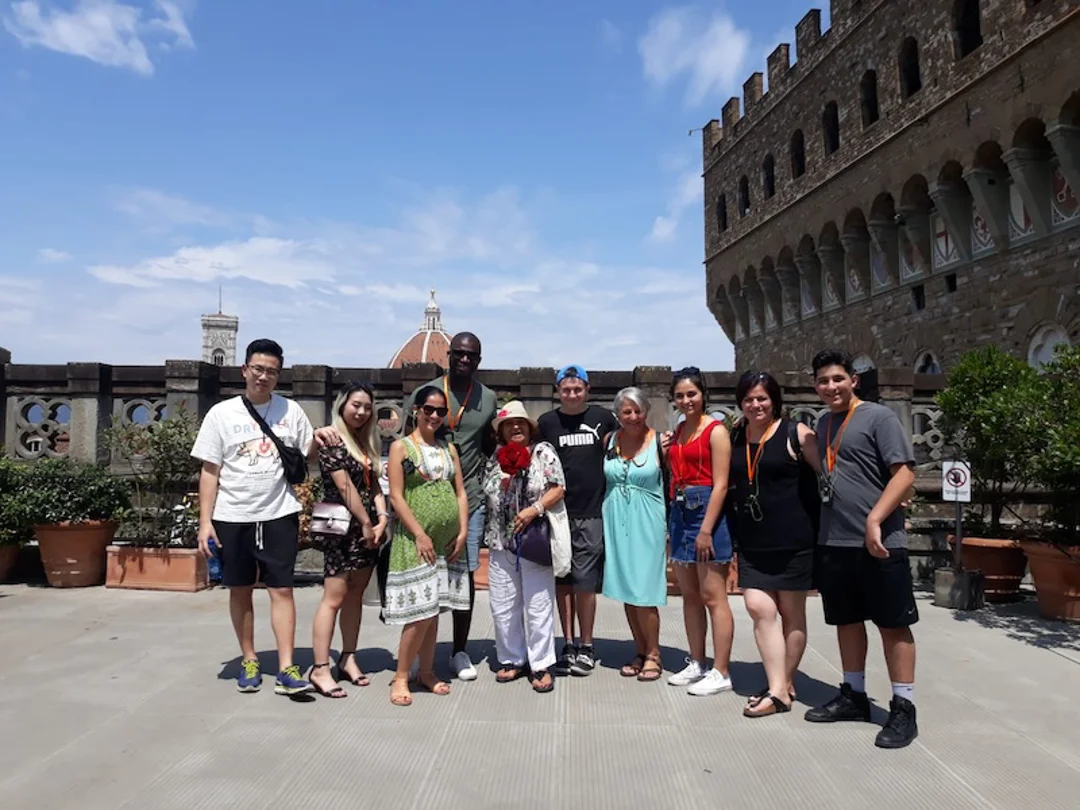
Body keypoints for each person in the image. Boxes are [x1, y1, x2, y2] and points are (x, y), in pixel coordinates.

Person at [313, 332, 497, 682]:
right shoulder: (424, 393)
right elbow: (402, 449)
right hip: (401, 511)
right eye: (458, 353)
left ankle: (457, 650)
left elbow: (489, 442)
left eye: (471, 355)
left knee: (461, 579)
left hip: (465, 501)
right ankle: (398, 661)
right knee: (408, 585)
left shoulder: (486, 399)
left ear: (479, 360)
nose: (464, 359)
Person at [805, 348, 919, 749]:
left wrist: (875, 519)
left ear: (853, 380)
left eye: (838, 378)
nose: (831, 386)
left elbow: (904, 475)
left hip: (880, 542)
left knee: (892, 624)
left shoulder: (879, 417)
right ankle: (853, 695)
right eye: (823, 381)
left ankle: (903, 707)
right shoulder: (823, 424)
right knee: (847, 621)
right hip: (835, 539)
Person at [192, 338, 316, 695]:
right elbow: (210, 471)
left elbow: (308, 452)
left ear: (279, 376)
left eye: (271, 372)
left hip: (279, 512)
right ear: (245, 370)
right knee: (240, 589)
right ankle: (249, 658)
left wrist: (327, 435)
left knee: (282, 589)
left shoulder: (291, 411)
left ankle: (287, 665)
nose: (264, 377)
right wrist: (205, 522)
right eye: (258, 369)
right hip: (233, 514)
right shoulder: (222, 414)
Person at [727, 371, 820, 717]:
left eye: (762, 398)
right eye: (749, 399)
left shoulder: (797, 433)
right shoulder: (737, 434)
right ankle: (780, 687)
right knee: (758, 608)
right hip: (753, 540)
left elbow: (829, 475)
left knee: (792, 615)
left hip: (794, 539)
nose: (756, 405)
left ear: (775, 400)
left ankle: (782, 686)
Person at [384, 385, 470, 706]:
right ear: (417, 410)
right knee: (419, 612)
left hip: (446, 542)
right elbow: (396, 496)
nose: (434, 416)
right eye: (429, 410)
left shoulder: (449, 449)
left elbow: (460, 492)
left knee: (433, 611)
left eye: (440, 411)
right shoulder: (401, 448)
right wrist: (420, 533)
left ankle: (427, 671)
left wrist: (462, 530)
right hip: (416, 540)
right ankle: (401, 675)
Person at [480, 401, 572, 693]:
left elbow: (558, 488)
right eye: (509, 424)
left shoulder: (543, 452)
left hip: (534, 539)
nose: (516, 427)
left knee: (538, 604)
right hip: (501, 539)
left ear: (530, 428)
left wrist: (534, 509)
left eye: (521, 423)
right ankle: (512, 658)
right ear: (501, 431)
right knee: (503, 605)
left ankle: (541, 663)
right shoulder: (495, 458)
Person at [308, 382, 390, 698]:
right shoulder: (333, 439)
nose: (362, 412)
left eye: (367, 407)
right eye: (356, 405)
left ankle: (348, 657)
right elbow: (345, 487)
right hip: (340, 527)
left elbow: (375, 485)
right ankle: (320, 667)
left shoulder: (366, 441)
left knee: (355, 594)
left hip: (367, 529)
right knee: (334, 596)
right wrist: (367, 522)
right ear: (342, 405)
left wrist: (382, 518)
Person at [537, 365, 619, 676]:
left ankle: (587, 645)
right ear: (557, 391)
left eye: (577, 389)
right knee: (563, 579)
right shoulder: (547, 423)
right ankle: (567, 643)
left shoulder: (603, 418)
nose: (572, 394)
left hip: (592, 511)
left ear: (587, 389)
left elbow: (624, 445)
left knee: (585, 582)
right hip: (557, 512)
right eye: (566, 390)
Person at [665, 367, 736, 696]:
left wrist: (706, 529)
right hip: (680, 511)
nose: (686, 400)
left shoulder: (715, 431)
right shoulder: (679, 430)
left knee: (713, 596)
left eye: (691, 394)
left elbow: (721, 484)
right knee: (690, 596)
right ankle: (697, 661)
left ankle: (721, 670)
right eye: (680, 395)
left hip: (706, 511)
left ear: (703, 394)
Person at [601, 387, 668, 683]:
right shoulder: (609, 441)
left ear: (646, 411)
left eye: (638, 411)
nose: (633, 417)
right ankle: (640, 650)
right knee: (628, 588)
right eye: (626, 411)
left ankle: (654, 653)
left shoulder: (661, 442)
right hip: (615, 518)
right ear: (618, 414)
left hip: (648, 520)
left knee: (645, 590)